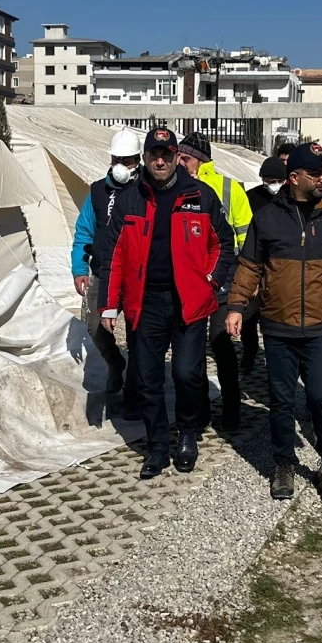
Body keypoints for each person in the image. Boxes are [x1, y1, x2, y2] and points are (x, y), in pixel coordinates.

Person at [225, 143, 322, 502]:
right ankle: (283, 464)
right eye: (317, 173)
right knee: (281, 400)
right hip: (277, 325)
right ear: (294, 178)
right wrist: (237, 306)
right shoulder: (268, 219)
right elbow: (250, 266)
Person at [97, 128, 235, 479]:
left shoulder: (200, 195)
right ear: (144, 159)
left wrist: (211, 282)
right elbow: (112, 254)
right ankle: (157, 446)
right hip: (144, 303)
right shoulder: (130, 198)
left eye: (167, 154)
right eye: (154, 154)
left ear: (177, 157)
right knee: (147, 379)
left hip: (187, 302)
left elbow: (224, 244)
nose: (160, 160)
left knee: (187, 373)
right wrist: (109, 305)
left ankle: (188, 434)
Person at [177, 132, 254, 430]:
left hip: (226, 279)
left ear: (199, 159)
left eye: (185, 157)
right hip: (192, 281)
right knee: (193, 348)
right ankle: (201, 409)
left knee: (219, 343)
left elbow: (247, 236)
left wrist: (248, 278)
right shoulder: (175, 186)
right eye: (178, 157)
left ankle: (232, 408)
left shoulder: (229, 188)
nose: (179, 162)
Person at [71, 128, 142, 406]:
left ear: (139, 160)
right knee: (94, 329)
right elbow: (84, 231)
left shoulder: (147, 190)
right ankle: (115, 364)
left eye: (129, 161)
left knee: (139, 336)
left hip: (136, 277)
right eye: (117, 160)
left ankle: (135, 393)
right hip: (103, 272)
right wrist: (79, 268)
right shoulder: (99, 191)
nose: (122, 167)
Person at [239, 156, 289, 375]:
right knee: (248, 318)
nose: (274, 184)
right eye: (269, 180)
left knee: (276, 319)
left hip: (280, 269)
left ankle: (276, 361)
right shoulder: (251, 198)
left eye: (278, 179)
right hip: (255, 265)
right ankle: (249, 354)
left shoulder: (290, 199)